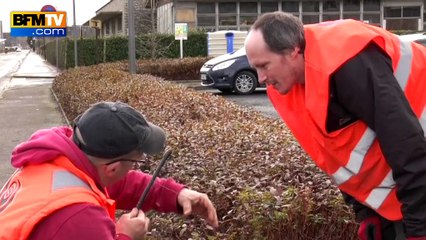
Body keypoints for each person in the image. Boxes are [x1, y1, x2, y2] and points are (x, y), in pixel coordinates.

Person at [244, 12, 426, 240]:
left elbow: (406, 144)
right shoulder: (290, 89)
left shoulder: (346, 61)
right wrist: (366, 212)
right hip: (404, 196)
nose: (260, 78)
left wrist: (419, 229)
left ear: (293, 51)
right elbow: (338, 157)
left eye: (264, 65)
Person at [0, 101, 219, 240]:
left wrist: (176, 194)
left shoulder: (55, 162)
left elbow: (118, 183)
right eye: (135, 162)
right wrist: (124, 236)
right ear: (112, 167)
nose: (134, 167)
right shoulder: (79, 217)